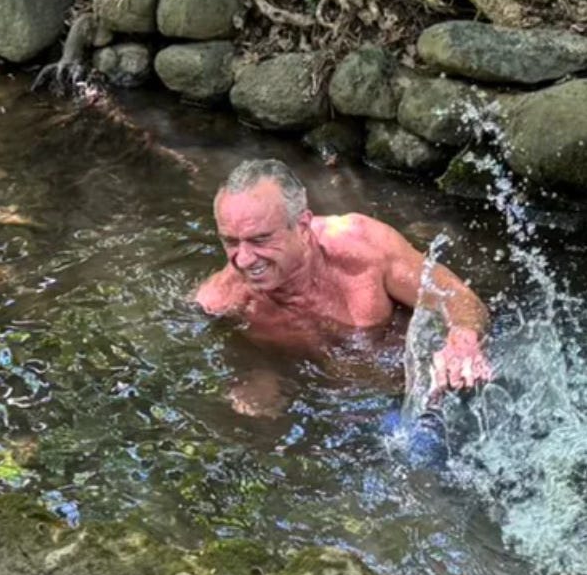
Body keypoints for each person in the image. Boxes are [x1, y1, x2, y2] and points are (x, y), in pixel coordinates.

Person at [194, 159, 491, 397]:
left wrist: (463, 339)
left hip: (442, 384)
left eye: (260, 239)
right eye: (231, 241)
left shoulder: (364, 246)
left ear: (302, 225)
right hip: (347, 411)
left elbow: (457, 296)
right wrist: (260, 373)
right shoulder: (222, 300)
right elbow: (219, 350)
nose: (243, 259)